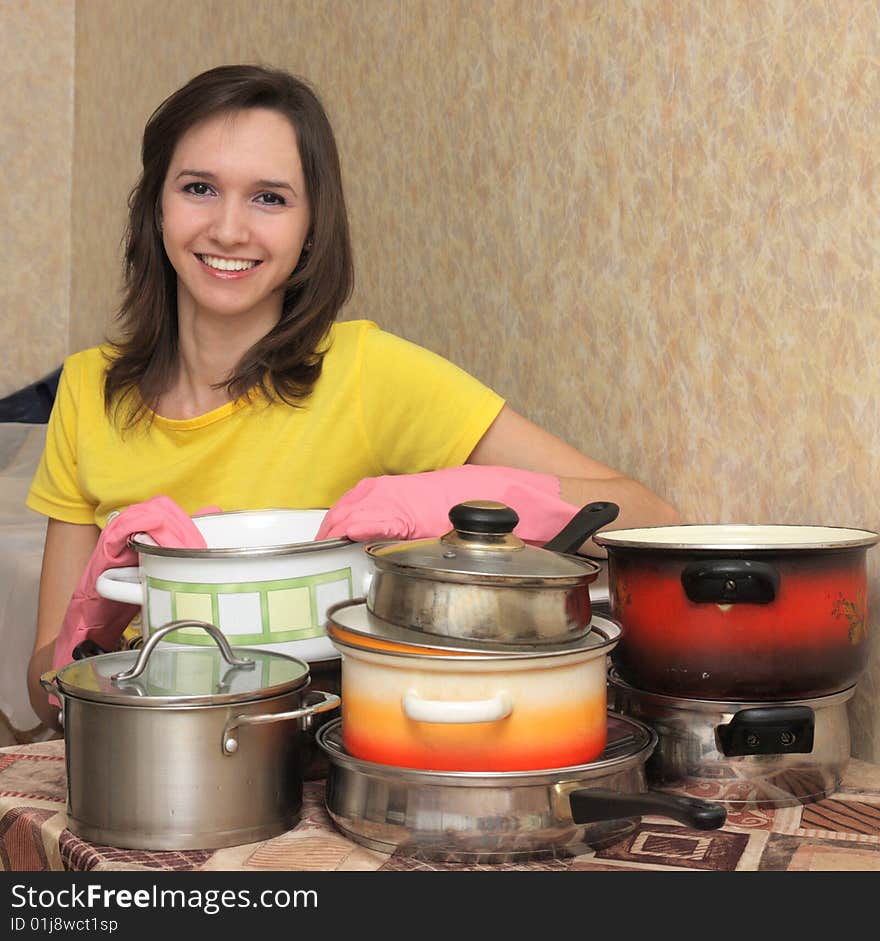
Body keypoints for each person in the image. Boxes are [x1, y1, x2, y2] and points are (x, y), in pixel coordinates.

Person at [24, 64, 679, 729]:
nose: (228, 228)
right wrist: (93, 614)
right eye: (199, 188)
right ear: (155, 206)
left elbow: (654, 522)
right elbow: (42, 696)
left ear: (312, 226)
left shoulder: (368, 373)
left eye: (269, 198)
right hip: (144, 755)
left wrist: (442, 500)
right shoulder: (88, 390)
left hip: (323, 756)